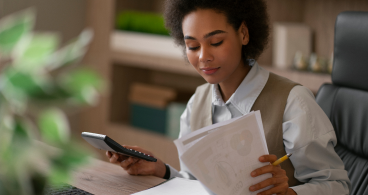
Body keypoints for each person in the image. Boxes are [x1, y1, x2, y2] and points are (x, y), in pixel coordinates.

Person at [107, 0, 351, 194]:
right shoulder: (197, 103)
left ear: (243, 34)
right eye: (192, 46)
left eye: (216, 42)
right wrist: (161, 170)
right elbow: (198, 185)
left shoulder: (293, 102)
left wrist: (290, 193)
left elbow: (339, 187)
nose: (203, 56)